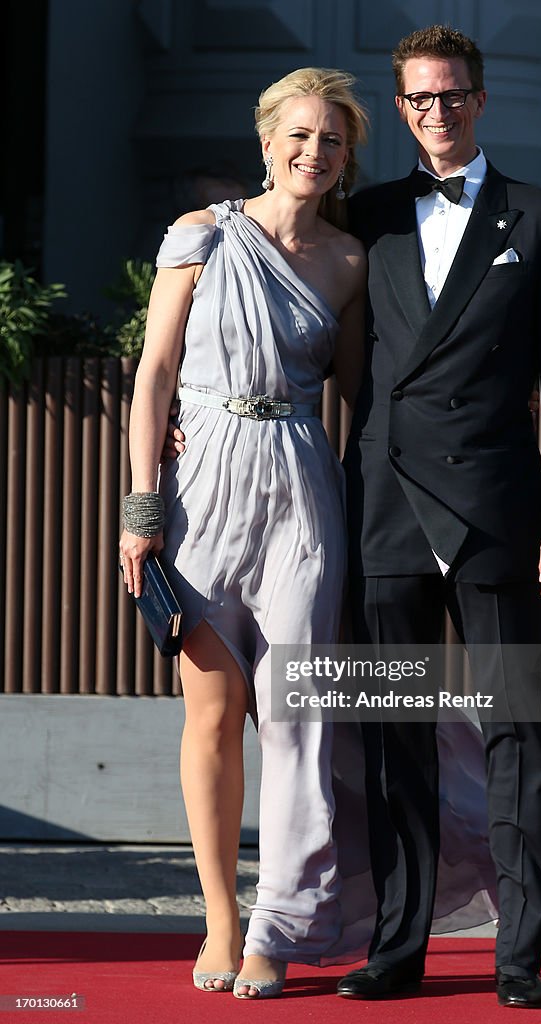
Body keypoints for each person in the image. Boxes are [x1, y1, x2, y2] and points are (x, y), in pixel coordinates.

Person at [335, 25, 541, 1008]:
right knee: (392, 733)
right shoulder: (363, 215)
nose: (434, 113)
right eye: (416, 99)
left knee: (511, 732)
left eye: (449, 96)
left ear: (478, 100)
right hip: (386, 508)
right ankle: (396, 945)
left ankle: (518, 952)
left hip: (498, 514)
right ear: (398, 107)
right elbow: (289, 312)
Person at [119, 67, 368, 999]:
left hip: (302, 491)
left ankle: (279, 926)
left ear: (347, 159)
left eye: (332, 140)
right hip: (200, 493)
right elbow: (153, 374)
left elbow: (361, 398)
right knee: (213, 717)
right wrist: (142, 511)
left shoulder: (350, 262)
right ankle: (222, 919)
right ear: (266, 142)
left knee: (299, 721)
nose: (313, 151)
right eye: (298, 134)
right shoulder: (202, 235)